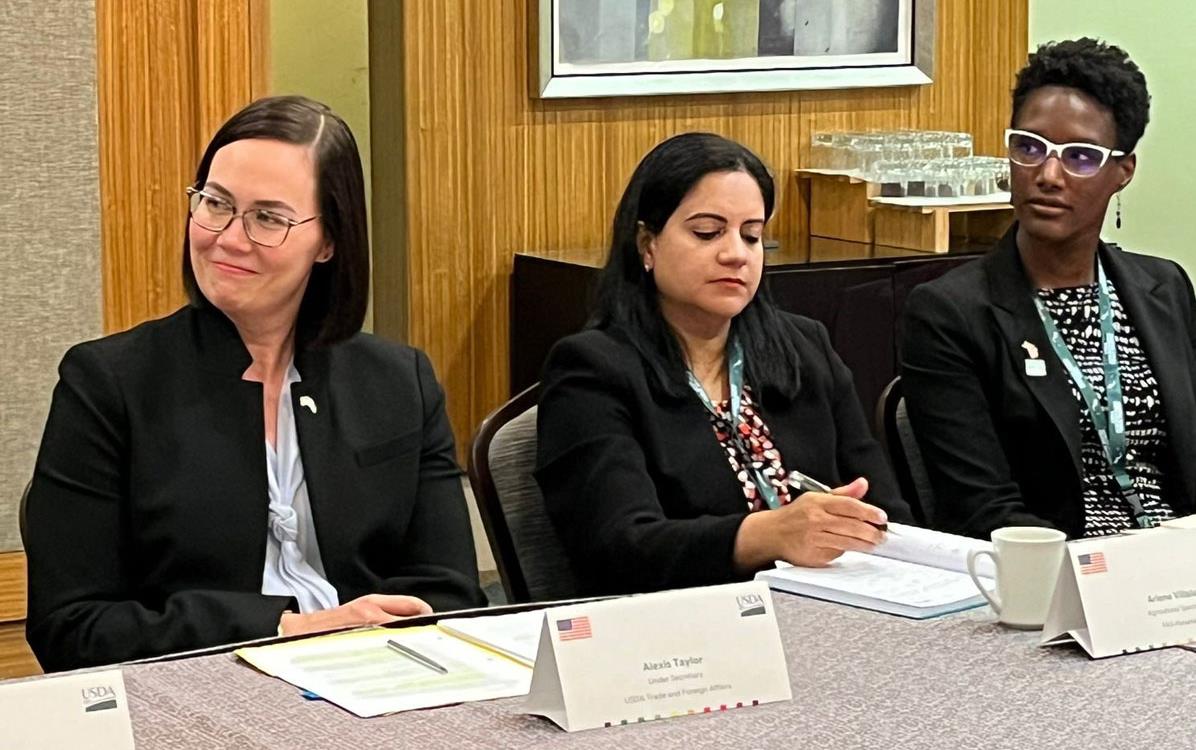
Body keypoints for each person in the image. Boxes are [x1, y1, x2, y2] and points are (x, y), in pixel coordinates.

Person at [24, 96, 486, 672]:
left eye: (268, 217)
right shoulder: (107, 384)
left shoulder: (399, 381)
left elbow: (453, 597)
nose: (229, 238)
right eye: (215, 204)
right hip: (198, 692)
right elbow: (71, 627)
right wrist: (288, 629)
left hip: (382, 685)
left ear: (329, 240)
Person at [535, 132, 913, 596]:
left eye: (751, 236)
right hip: (689, 633)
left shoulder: (803, 346)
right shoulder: (593, 371)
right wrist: (769, 533)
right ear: (647, 244)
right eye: (707, 232)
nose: (735, 253)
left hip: (837, 609)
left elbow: (888, 510)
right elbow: (620, 550)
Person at [901, 38, 1196, 540]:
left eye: (1080, 156)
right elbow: (981, 509)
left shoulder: (1163, 287)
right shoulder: (950, 313)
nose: (1048, 175)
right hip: (1056, 577)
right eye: (1029, 147)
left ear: (1122, 172)